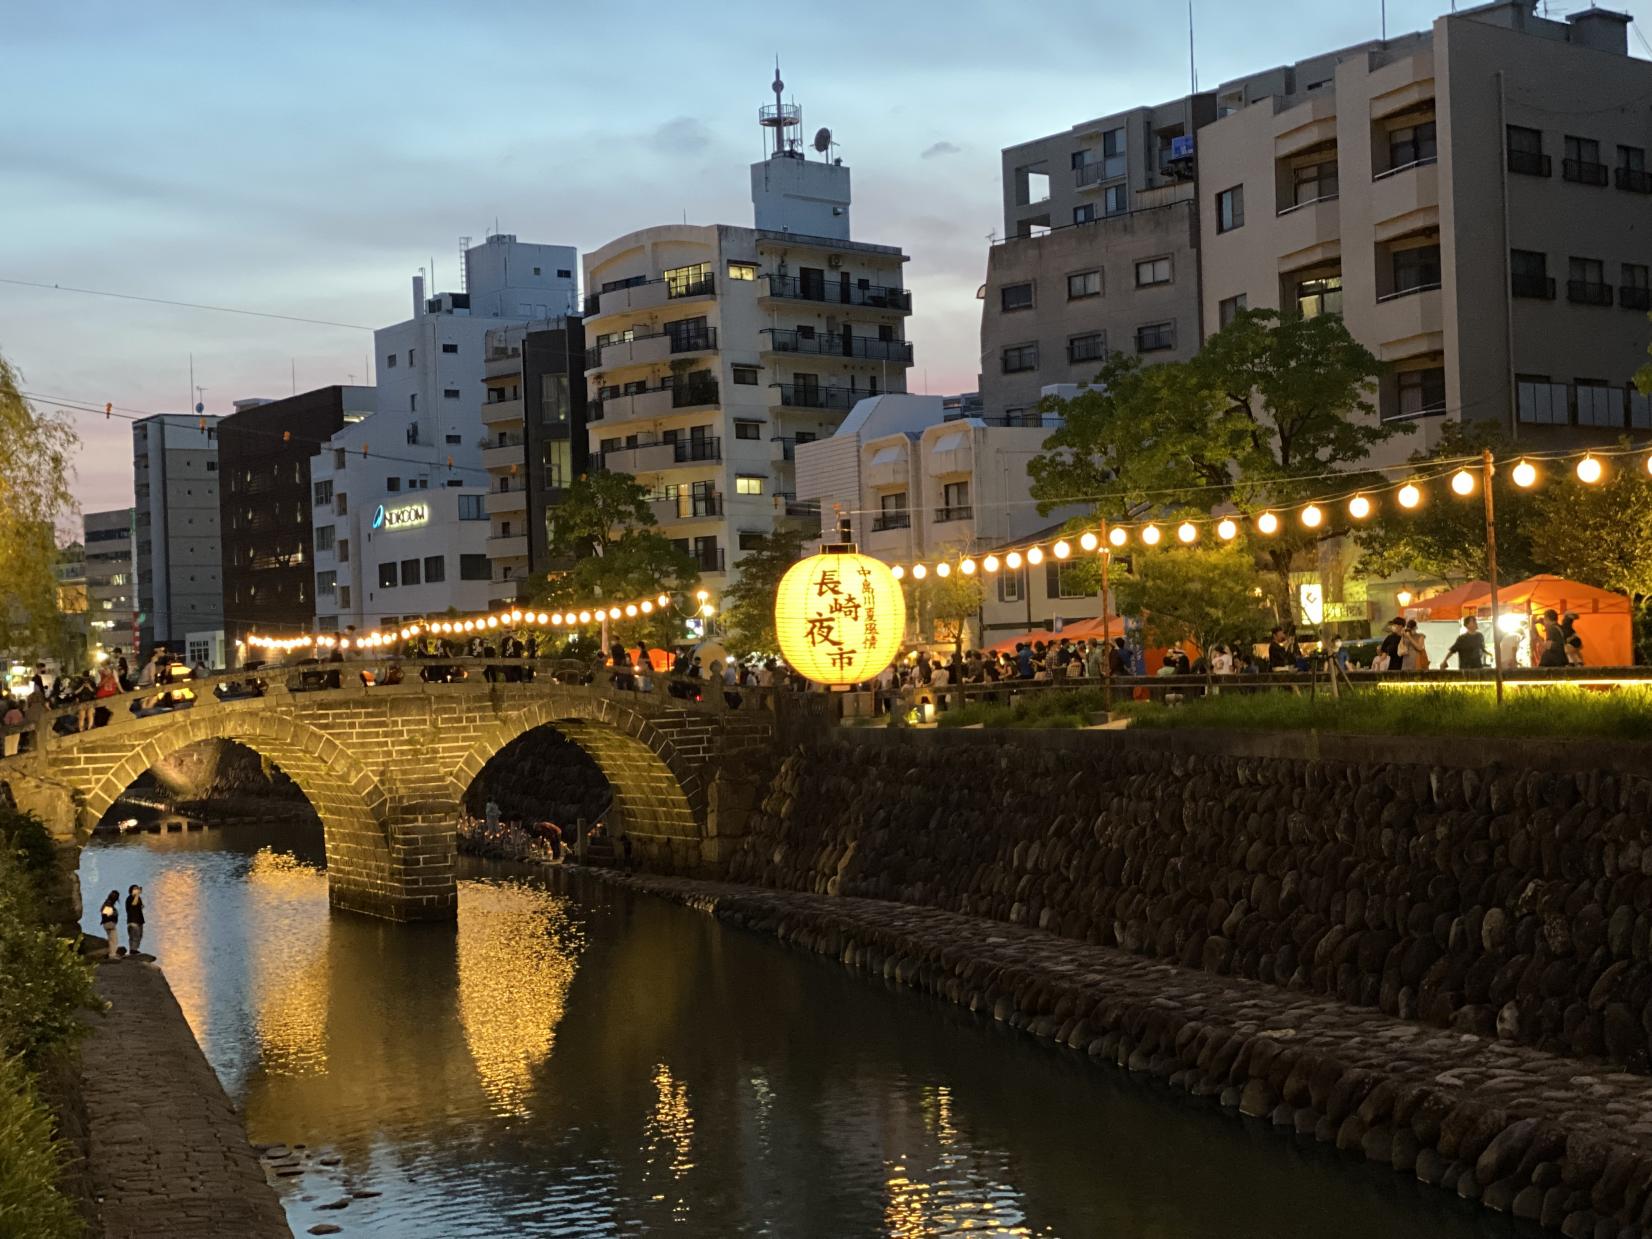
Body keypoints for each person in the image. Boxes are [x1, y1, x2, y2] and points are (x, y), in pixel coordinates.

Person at [99, 890, 121, 960]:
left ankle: (112, 954)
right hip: (110, 923)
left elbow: (103, 911)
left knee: (111, 939)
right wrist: (115, 913)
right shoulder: (109, 903)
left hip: (107, 923)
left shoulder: (107, 903)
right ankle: (112, 955)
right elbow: (106, 913)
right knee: (114, 940)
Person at [125, 885, 145, 957]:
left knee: (139, 935)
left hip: (139, 920)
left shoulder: (138, 898)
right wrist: (137, 895)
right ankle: (133, 950)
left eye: (137, 888)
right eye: (135, 889)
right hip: (133, 920)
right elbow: (133, 904)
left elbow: (140, 906)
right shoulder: (130, 898)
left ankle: (134, 949)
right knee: (134, 936)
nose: (136, 890)